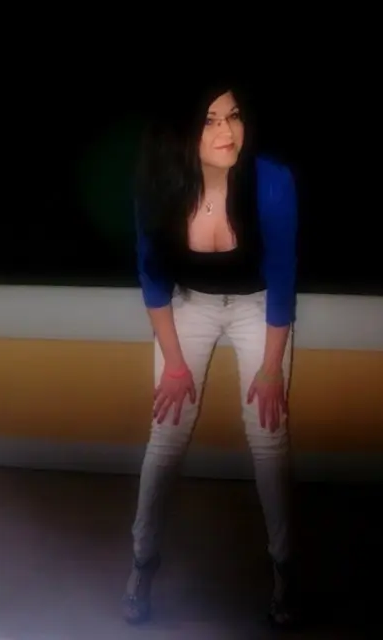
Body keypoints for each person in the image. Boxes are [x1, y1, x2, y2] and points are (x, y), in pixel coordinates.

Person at [122, 78, 299, 629]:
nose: (227, 131)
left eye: (234, 116)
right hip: (190, 303)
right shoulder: (158, 184)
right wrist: (175, 363)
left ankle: (284, 568)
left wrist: (270, 369)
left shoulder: (272, 182)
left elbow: (283, 278)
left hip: (258, 305)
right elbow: (153, 280)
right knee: (167, 431)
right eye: (210, 120)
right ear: (184, 131)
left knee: (268, 433)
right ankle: (142, 563)